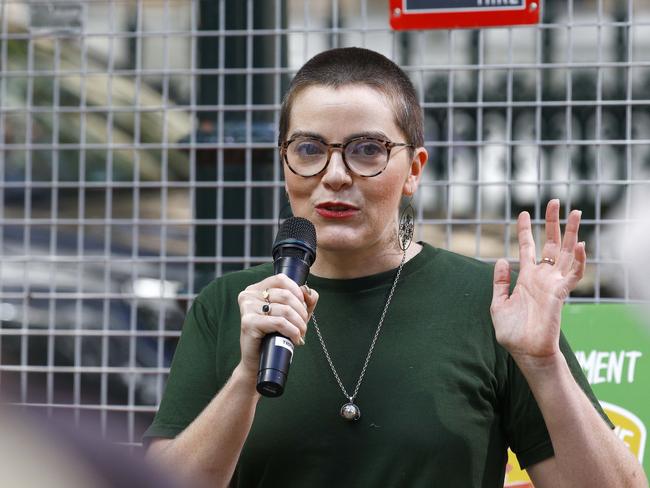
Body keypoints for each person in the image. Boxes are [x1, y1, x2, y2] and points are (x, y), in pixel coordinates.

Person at [144, 47, 648, 487]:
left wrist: (543, 366)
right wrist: (246, 376)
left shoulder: (492, 303)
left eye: (367, 151)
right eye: (309, 149)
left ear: (413, 170)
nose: (335, 175)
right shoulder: (231, 306)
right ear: (284, 164)